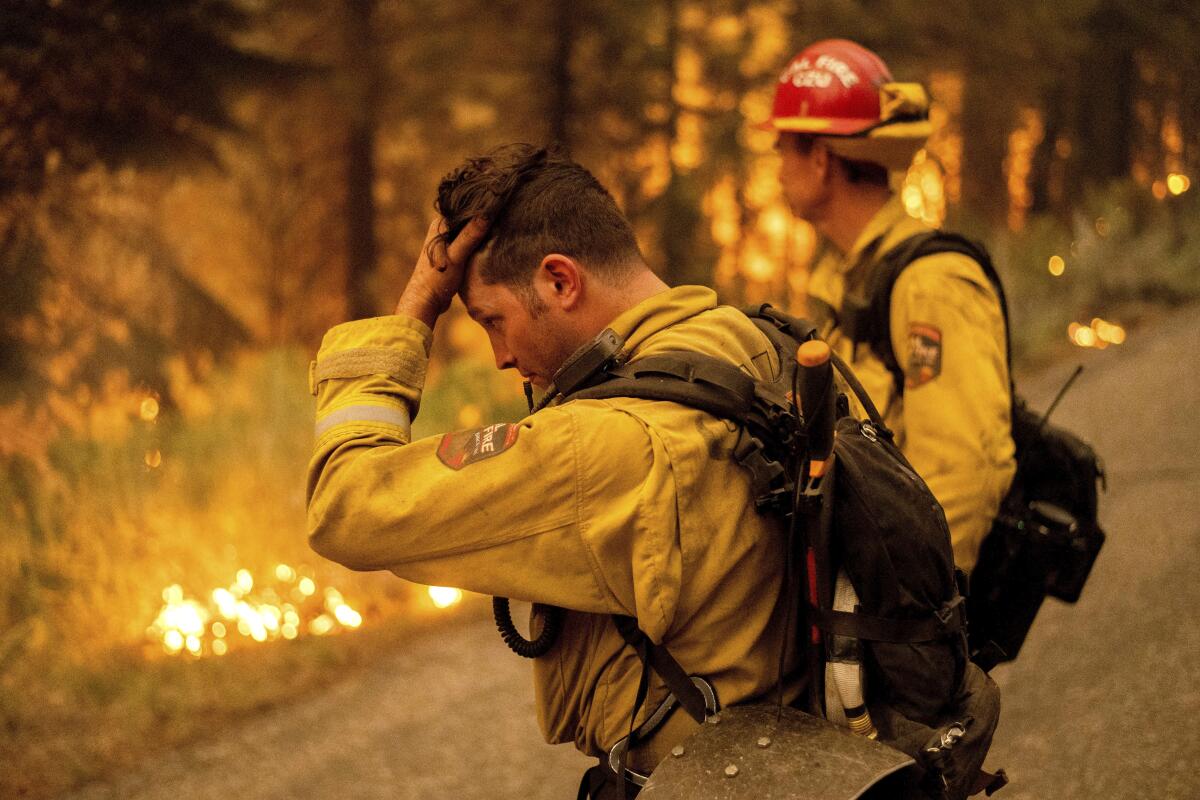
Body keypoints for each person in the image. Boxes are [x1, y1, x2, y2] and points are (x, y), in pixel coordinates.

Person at [305, 144, 802, 796]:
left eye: (492, 320)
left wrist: (418, 307)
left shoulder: (600, 447)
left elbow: (348, 507)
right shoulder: (752, 344)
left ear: (561, 281)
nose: (500, 356)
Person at [761, 39, 1016, 572]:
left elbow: (963, 468)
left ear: (821, 158)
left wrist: (914, 617)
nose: (778, 166)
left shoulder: (931, 283)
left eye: (783, 146)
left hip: (908, 602)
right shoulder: (846, 279)